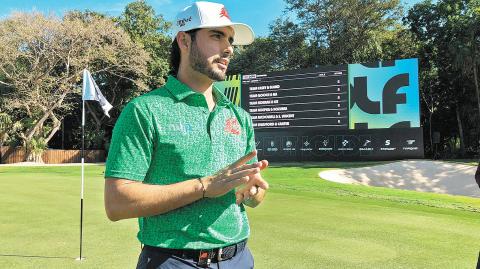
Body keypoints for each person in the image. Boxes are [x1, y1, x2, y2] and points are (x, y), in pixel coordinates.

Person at [104, 2, 269, 268]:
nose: (228, 48)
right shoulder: (144, 110)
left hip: (239, 259)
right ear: (184, 40)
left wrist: (253, 191)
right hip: (173, 261)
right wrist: (204, 187)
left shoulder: (239, 116)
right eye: (216, 36)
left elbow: (251, 197)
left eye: (230, 40)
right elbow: (116, 203)